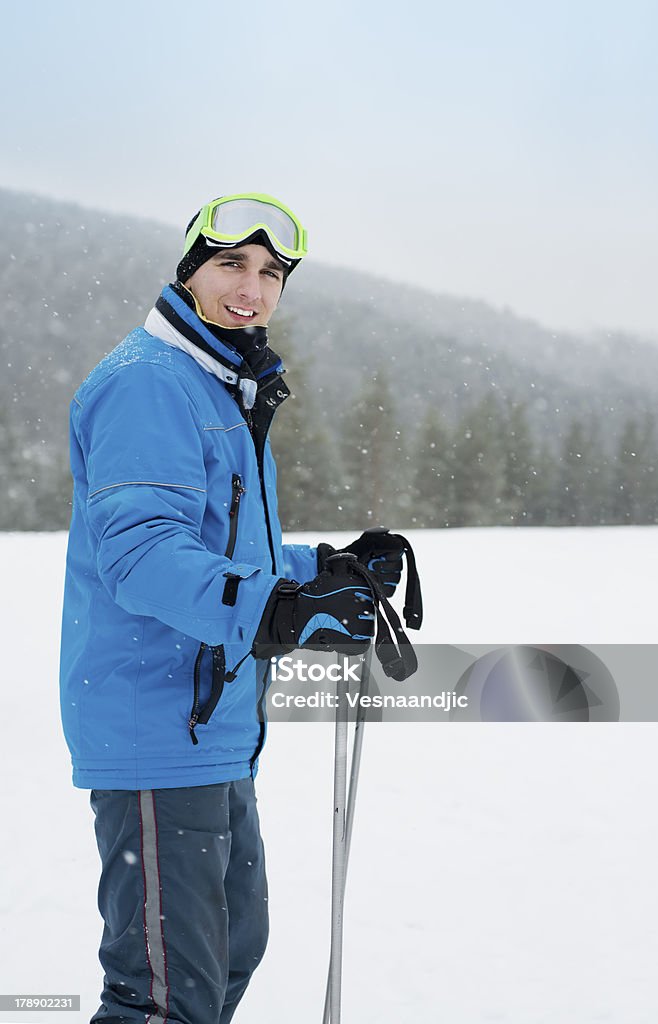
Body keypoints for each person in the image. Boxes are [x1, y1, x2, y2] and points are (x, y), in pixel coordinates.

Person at [59, 192, 405, 1023]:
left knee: (228, 951)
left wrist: (323, 569)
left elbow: (225, 552)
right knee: (165, 996)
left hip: (212, 725)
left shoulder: (222, 386)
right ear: (189, 271)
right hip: (155, 723)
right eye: (230, 265)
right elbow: (143, 557)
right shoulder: (150, 383)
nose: (251, 289)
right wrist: (279, 612)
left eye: (270, 273)